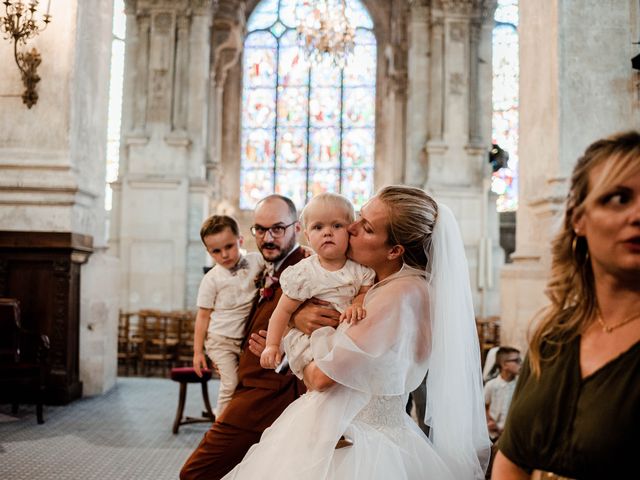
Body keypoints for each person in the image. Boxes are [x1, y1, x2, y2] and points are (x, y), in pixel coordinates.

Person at [222, 185, 491, 479]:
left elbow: (322, 378)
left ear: (394, 250)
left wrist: (288, 347)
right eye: (359, 217)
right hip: (344, 429)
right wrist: (298, 318)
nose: (350, 228)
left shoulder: (399, 295)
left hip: (362, 443)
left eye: (366, 227)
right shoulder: (382, 285)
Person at [492, 131, 640, 479]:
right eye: (618, 198)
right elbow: (511, 458)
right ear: (579, 219)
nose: (637, 214)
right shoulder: (553, 336)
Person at [180, 195, 341, 480]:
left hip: (267, 397)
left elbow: (332, 332)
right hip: (250, 388)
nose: (268, 238)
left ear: (297, 229)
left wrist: (288, 343)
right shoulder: (262, 267)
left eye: (278, 228)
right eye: (260, 229)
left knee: (195, 473)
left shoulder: (312, 271)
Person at [261, 192, 375, 380]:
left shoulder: (360, 269)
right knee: (321, 386)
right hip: (310, 341)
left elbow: (365, 292)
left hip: (346, 336)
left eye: (337, 225)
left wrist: (357, 303)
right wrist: (272, 345)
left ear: (351, 230)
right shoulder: (303, 273)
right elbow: (282, 312)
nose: (327, 232)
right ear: (307, 235)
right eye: (318, 227)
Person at [192, 215, 266, 418]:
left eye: (229, 246)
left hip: (244, 340)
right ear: (209, 252)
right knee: (230, 383)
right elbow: (203, 316)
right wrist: (198, 352)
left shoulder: (256, 261)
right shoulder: (211, 279)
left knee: (248, 382)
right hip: (220, 340)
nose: (225, 254)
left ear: (240, 240)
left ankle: (239, 420)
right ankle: (220, 425)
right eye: (216, 251)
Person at [484, 346, 521, 442]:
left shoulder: (520, 385)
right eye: (516, 361)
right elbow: (483, 405)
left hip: (511, 435)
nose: (520, 364)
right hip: (493, 435)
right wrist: (489, 421)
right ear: (504, 365)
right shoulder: (491, 385)